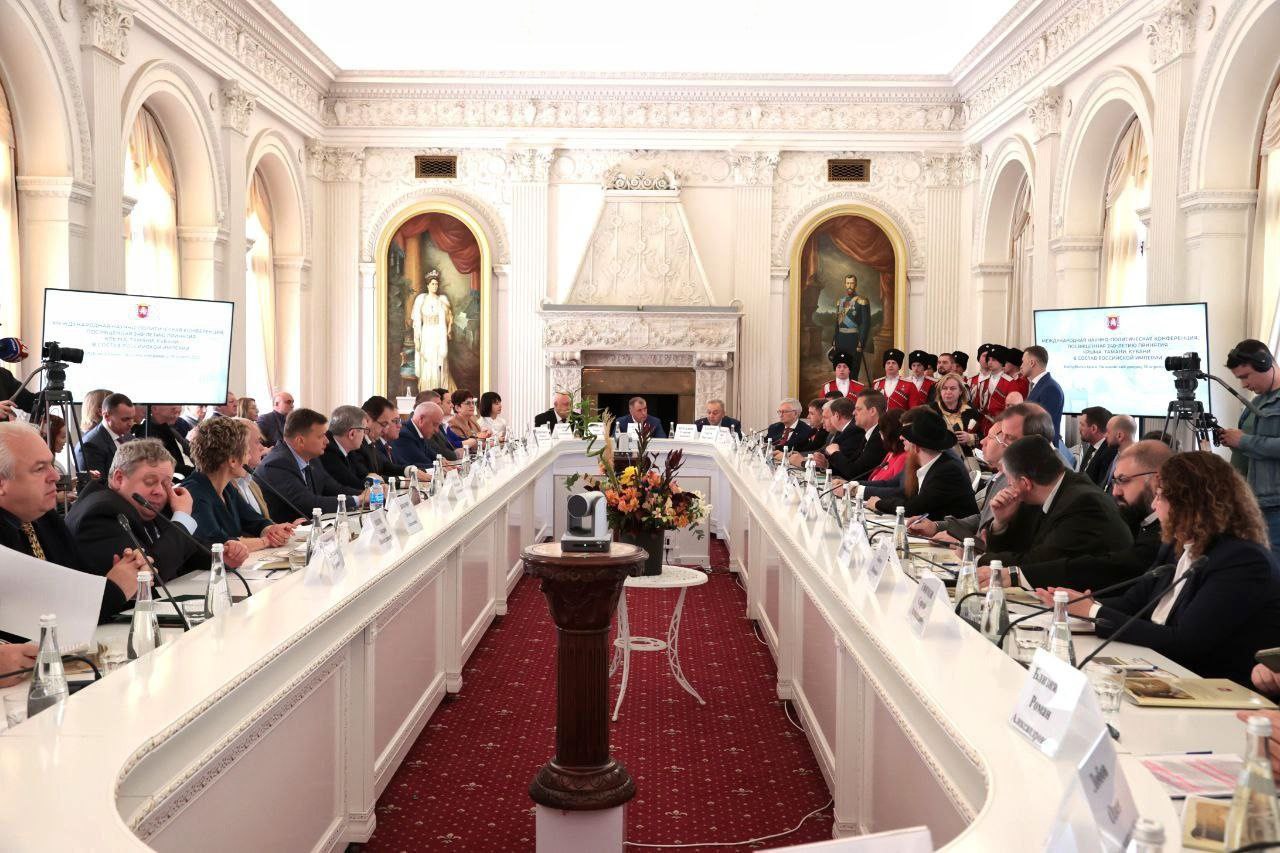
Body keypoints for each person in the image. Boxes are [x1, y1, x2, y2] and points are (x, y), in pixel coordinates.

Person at [1044, 452, 1280, 688]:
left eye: (1160, 496)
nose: (1154, 505)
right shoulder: (1176, 547)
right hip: (1161, 670)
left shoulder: (1242, 561)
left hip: (1211, 686)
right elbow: (1132, 603)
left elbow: (1186, 642)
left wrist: (1094, 611)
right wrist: (1077, 605)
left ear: (1189, 503)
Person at [0, 422, 149, 625]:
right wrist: (115, 590)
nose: (55, 476)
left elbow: (80, 579)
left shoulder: (45, 518)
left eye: (51, 464)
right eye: (39, 469)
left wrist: (130, 578)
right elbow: (36, 619)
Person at [67, 439, 225, 596]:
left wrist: (221, 555)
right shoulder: (101, 513)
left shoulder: (143, 504)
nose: (159, 491)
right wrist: (182, 518)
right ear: (119, 479)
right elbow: (149, 573)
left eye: (166, 484)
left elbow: (185, 552)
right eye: (150, 482)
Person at [1018, 440, 1171, 590]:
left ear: (1157, 481)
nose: (1115, 492)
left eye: (1123, 480)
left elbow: (1109, 568)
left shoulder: (1166, 533)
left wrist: (1018, 575)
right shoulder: (1142, 523)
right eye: (1114, 482)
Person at [979, 435, 1133, 569]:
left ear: (1025, 483)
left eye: (1009, 479)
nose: (1008, 485)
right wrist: (1001, 524)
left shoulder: (1083, 503)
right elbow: (1019, 549)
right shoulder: (1047, 493)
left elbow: (1039, 563)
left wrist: (980, 560)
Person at [184, 417, 294, 552]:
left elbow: (255, 521)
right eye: (247, 452)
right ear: (233, 461)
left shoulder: (227, 488)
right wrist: (266, 541)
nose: (249, 457)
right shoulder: (194, 493)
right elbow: (218, 543)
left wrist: (272, 530)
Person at [1222, 339, 1280, 558]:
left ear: (1265, 363)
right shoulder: (1256, 403)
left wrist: (1243, 441)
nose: (1244, 385)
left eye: (1246, 376)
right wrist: (1231, 439)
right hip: (1253, 503)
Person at [866, 408, 978, 520]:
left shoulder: (947, 470)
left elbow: (913, 508)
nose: (900, 437)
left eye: (906, 434)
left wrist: (878, 503)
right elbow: (907, 496)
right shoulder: (930, 464)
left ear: (917, 444)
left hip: (953, 530)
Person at [256, 408, 363, 518]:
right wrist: (358, 500)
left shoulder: (312, 458)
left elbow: (334, 489)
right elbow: (309, 504)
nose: (327, 441)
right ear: (300, 441)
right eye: (321, 436)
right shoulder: (276, 464)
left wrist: (366, 494)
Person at [829, 390, 887, 482]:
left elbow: (855, 472)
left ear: (872, 411)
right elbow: (852, 464)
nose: (853, 413)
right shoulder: (869, 434)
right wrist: (826, 465)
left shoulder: (879, 436)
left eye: (858, 409)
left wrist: (835, 453)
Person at [76, 392, 136, 477]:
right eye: (125, 419)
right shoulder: (90, 445)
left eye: (132, 418)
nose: (131, 423)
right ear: (106, 416)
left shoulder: (129, 437)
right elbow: (96, 484)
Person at [231, 418, 278, 522]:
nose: (262, 448)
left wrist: (288, 529)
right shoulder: (224, 488)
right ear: (240, 446)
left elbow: (264, 524)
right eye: (258, 442)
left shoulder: (252, 483)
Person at [413, 271, 453, 390]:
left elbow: (449, 317)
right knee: (428, 360)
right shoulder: (421, 300)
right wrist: (417, 339)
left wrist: (448, 329)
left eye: (436, 284)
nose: (435, 286)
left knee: (438, 360)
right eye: (433, 284)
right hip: (426, 333)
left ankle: (439, 388)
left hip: (438, 333)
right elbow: (417, 321)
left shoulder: (441, 300)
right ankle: (427, 389)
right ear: (428, 285)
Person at [319, 405, 373, 492]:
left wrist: (373, 480)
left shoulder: (349, 449)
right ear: (352, 434)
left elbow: (364, 475)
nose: (365, 435)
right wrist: (377, 484)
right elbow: (355, 485)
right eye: (364, 430)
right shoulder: (328, 451)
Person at [132, 404, 194, 477]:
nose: (178, 411)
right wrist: (194, 472)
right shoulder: (147, 433)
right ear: (154, 408)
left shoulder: (169, 427)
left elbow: (187, 450)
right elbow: (163, 464)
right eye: (173, 409)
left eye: (179, 411)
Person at [832, 274, 872, 381]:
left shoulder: (862, 301)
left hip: (854, 340)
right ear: (845, 284)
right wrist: (835, 339)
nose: (849, 285)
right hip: (840, 340)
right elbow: (837, 323)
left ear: (856, 284)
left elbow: (865, 324)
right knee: (841, 371)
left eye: (852, 283)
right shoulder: (840, 301)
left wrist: (861, 342)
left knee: (853, 372)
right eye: (848, 283)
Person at [1021, 346, 1064, 443]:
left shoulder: (1050, 388)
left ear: (1032, 363)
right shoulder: (1040, 385)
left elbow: (1042, 426)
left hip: (1042, 448)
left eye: (1023, 362)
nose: (1021, 366)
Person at [930, 373, 982, 453]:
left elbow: (982, 437)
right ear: (940, 391)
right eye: (944, 388)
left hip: (965, 457)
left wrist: (970, 437)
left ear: (960, 391)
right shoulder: (930, 411)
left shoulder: (970, 411)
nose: (948, 392)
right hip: (937, 455)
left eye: (953, 388)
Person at [808, 397, 865, 470]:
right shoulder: (841, 431)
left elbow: (847, 467)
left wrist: (826, 463)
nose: (822, 421)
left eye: (826, 417)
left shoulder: (854, 431)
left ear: (837, 416)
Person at [393, 402, 447, 469]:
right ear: (421, 419)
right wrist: (441, 465)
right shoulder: (404, 435)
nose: (437, 430)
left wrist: (442, 460)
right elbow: (423, 463)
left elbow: (431, 455)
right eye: (434, 424)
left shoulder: (419, 432)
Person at [1076, 406, 1116, 487]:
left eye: (1082, 425)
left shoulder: (1109, 453)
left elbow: (1099, 487)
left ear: (1094, 428)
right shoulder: (1093, 446)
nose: (1079, 428)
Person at [1101, 414, 1137, 487]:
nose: (1105, 436)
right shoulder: (1118, 455)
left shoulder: (1135, 461)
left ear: (1119, 436)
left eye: (1108, 432)